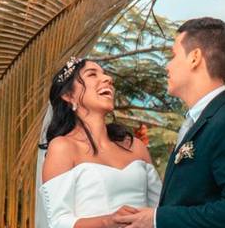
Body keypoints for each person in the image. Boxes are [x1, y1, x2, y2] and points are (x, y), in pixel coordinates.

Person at [116, 17, 225, 228]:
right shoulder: (202, 119)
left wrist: (157, 219)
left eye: (173, 56)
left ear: (194, 58)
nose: (167, 66)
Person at [37, 57, 162, 228]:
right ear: (68, 95)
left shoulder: (135, 146)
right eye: (92, 74)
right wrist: (108, 221)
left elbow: (160, 208)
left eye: (105, 74)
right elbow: (59, 222)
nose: (108, 79)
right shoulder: (63, 147)